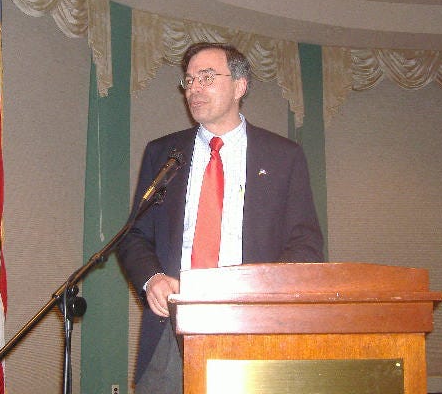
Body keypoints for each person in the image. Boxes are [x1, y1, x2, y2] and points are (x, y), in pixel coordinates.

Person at [116, 42, 324, 394]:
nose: (193, 88)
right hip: (172, 325)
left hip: (252, 326)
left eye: (207, 77)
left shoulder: (283, 157)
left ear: (240, 86)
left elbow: (305, 244)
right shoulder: (163, 152)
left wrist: (262, 294)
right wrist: (152, 279)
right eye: (189, 80)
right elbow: (134, 234)